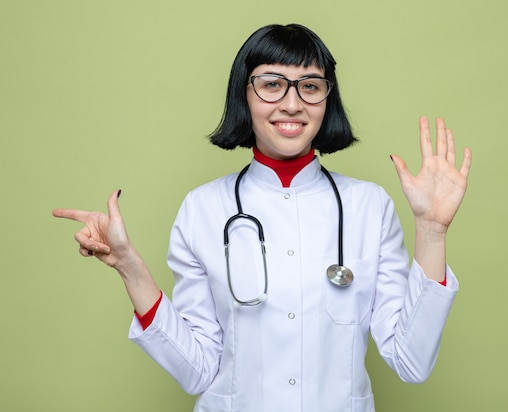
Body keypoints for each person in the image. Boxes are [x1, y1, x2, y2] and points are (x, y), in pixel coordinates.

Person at [53, 23, 471, 412]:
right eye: (271, 85)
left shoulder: (368, 207)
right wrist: (129, 267)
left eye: (310, 86)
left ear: (328, 99)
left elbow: (411, 362)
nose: (292, 103)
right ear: (244, 95)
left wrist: (432, 232)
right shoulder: (203, 209)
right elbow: (195, 370)